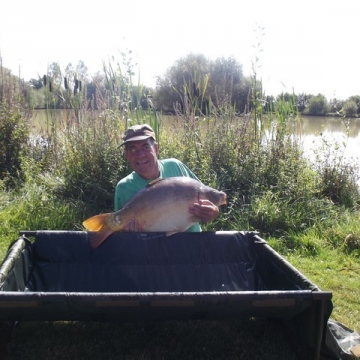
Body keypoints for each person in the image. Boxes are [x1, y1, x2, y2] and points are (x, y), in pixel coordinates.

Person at [114, 123, 220, 232]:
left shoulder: (176, 166)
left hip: (193, 244)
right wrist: (129, 233)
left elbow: (210, 200)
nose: (140, 155)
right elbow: (120, 228)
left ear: (156, 148)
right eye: (132, 149)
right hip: (152, 248)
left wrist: (212, 212)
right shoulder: (124, 188)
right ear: (126, 155)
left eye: (145, 147)